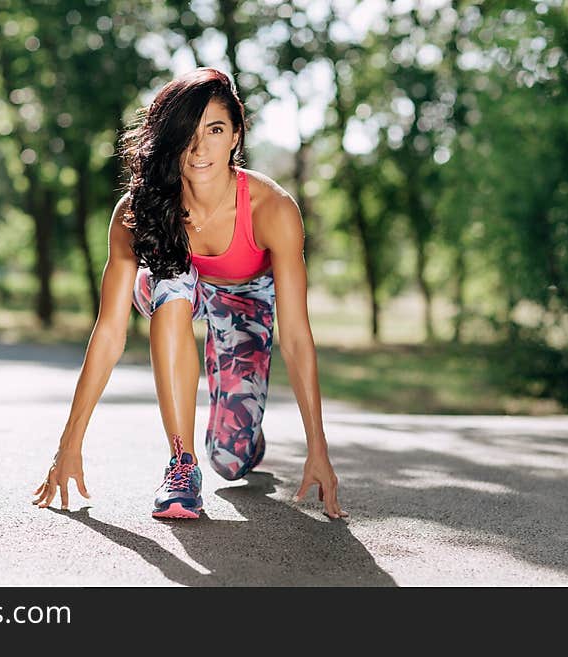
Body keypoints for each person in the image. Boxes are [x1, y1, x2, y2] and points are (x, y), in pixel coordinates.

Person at [32, 67, 348, 520]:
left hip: (245, 299)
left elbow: (296, 335)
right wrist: (68, 444)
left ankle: (243, 427)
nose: (200, 148)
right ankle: (181, 466)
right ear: (169, 137)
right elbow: (108, 332)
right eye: (187, 133)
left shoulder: (272, 208)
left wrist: (318, 448)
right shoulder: (139, 209)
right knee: (171, 284)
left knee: (232, 460)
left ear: (236, 135)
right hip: (174, 287)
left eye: (215, 130)